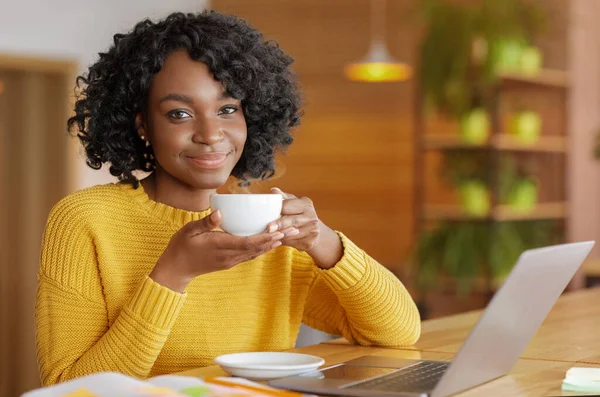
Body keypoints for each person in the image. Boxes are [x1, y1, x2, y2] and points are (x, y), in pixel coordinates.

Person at [35, 10, 421, 386]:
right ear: (142, 125)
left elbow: (398, 333)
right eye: (180, 114)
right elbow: (70, 386)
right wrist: (173, 274)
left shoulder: (266, 229)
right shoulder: (86, 220)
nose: (211, 133)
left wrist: (324, 240)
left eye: (227, 109)